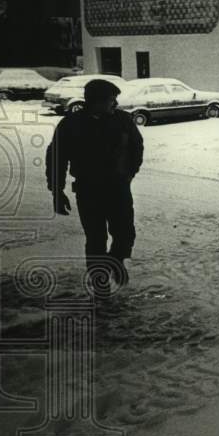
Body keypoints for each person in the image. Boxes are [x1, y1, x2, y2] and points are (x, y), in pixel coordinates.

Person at [46, 79, 143, 293]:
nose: (115, 104)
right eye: (111, 100)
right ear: (95, 102)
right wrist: (57, 191)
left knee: (125, 233)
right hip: (88, 190)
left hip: (118, 188)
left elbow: (137, 148)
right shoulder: (71, 124)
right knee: (96, 238)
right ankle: (100, 283)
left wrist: (129, 173)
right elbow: (57, 157)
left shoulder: (123, 120)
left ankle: (115, 261)